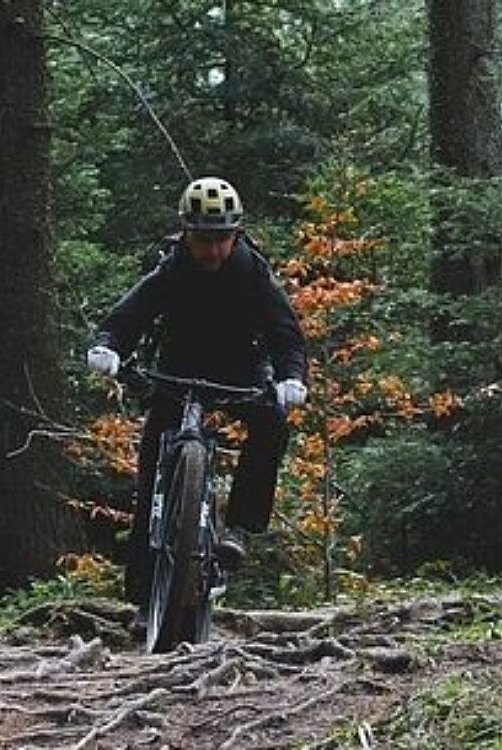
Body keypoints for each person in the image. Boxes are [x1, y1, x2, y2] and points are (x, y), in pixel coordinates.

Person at [86, 176, 308, 617]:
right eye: (204, 239)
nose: (213, 250)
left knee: (271, 422)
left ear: (236, 234)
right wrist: (108, 346)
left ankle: (240, 528)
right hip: (177, 370)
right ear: (186, 234)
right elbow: (129, 314)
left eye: (223, 239)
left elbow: (286, 334)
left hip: (240, 370)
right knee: (151, 472)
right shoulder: (171, 269)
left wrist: (291, 379)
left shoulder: (252, 271)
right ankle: (142, 600)